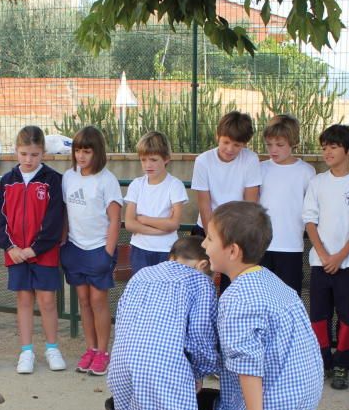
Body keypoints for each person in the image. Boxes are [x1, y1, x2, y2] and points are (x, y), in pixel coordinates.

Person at [203, 202, 324, 410]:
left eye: (210, 238)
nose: (204, 244)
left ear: (233, 251)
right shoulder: (272, 281)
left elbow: (247, 365)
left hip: (274, 408)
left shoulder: (237, 299)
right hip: (302, 399)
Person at [107, 237, 219, 410]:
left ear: (171, 257)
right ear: (203, 265)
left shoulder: (142, 274)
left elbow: (122, 317)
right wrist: (199, 372)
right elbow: (200, 338)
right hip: (161, 369)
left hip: (120, 364)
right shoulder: (200, 282)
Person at [303, 124, 349, 390]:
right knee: (319, 315)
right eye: (324, 147)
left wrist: (341, 256)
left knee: (346, 316)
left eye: (333, 147)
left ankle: (342, 364)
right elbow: (309, 219)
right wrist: (323, 255)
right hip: (320, 262)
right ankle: (321, 360)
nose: (327, 152)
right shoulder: (317, 182)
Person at [0, 125, 66, 374]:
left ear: (43, 152)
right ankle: (26, 351)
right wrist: (11, 247)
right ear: (16, 152)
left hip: (42, 253)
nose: (29, 159)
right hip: (15, 253)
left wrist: (35, 249)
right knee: (24, 300)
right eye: (24, 154)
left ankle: (52, 348)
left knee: (46, 301)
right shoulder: (8, 181)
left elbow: (55, 221)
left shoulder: (53, 180)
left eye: (34, 154)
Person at [62, 125, 122, 376]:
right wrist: (64, 243)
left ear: (98, 153)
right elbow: (66, 213)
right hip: (75, 248)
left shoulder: (107, 180)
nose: (82, 156)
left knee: (98, 300)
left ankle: (103, 351)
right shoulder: (68, 176)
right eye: (78, 150)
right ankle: (90, 349)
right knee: (84, 301)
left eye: (87, 151)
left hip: (99, 249)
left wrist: (107, 253)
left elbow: (115, 219)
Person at [191, 111, 260, 292]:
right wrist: (212, 238)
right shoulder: (203, 161)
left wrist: (236, 240)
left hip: (237, 234)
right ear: (217, 136)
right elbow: (204, 205)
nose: (230, 149)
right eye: (226, 142)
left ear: (245, 144)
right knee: (201, 285)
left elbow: (251, 205)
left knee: (233, 288)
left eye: (237, 145)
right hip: (206, 231)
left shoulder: (251, 159)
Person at [258, 114, 315, 295]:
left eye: (280, 145)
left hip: (291, 245)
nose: (273, 150)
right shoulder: (260, 168)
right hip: (262, 246)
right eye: (269, 145)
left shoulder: (306, 171)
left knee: (289, 297)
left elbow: (311, 209)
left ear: (293, 142)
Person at [123, 131, 187, 276]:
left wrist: (143, 219)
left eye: (153, 159)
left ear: (166, 159)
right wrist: (161, 228)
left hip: (167, 249)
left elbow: (173, 224)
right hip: (139, 249)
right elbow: (129, 224)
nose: (147, 165)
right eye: (143, 160)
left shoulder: (175, 185)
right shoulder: (136, 185)